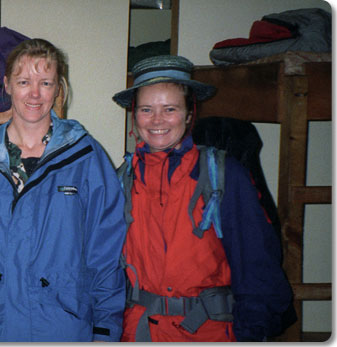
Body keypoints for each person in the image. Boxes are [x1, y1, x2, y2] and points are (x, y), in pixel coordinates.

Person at [0, 38, 127, 342]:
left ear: (58, 87)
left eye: (46, 82)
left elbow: (105, 256)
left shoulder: (87, 160)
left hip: (64, 329)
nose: (35, 94)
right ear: (7, 85)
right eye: (24, 81)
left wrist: (105, 331)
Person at [111, 54, 294, 342]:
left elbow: (258, 271)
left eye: (169, 108)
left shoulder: (224, 176)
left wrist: (251, 336)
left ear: (188, 113)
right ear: (134, 114)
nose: (157, 120)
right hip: (138, 333)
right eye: (146, 109)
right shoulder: (121, 181)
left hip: (209, 334)